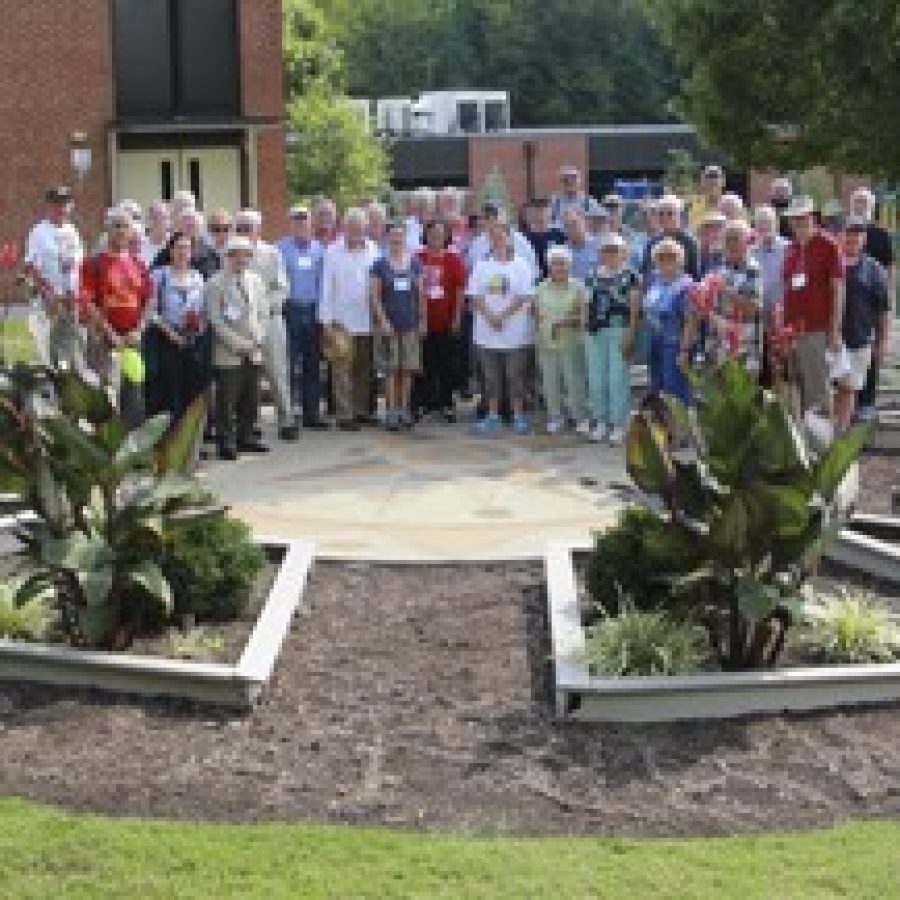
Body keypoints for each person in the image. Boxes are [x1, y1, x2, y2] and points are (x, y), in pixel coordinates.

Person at [78, 206, 153, 427]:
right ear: (107, 229)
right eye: (116, 226)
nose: (121, 231)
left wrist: (138, 330)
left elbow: (149, 300)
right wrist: (110, 333)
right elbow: (88, 301)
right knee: (104, 392)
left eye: (125, 226)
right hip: (105, 339)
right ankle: (105, 444)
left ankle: (134, 445)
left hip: (132, 339)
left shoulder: (138, 263)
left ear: (131, 231)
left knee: (134, 392)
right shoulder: (93, 264)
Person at [467, 219, 536, 435]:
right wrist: (491, 316)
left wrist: (503, 316)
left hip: (515, 332)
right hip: (487, 332)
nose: (498, 239)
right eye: (493, 236)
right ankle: (493, 415)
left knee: (516, 376)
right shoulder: (482, 265)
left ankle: (517, 415)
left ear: (509, 237)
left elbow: (525, 296)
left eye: (501, 235)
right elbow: (475, 296)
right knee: (490, 377)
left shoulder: (521, 265)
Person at [234, 209, 296, 441]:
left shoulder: (272, 254)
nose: (243, 232)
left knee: (277, 372)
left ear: (258, 230)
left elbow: (282, 288)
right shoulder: (229, 254)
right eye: (239, 228)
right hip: (241, 327)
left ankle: (286, 420)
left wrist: (260, 308)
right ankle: (252, 423)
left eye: (247, 228)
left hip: (270, 321)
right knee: (247, 377)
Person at [206, 235, 269, 460]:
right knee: (227, 400)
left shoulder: (256, 281)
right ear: (228, 256)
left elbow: (263, 313)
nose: (242, 259)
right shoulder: (215, 284)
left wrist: (258, 338)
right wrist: (238, 344)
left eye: (246, 255)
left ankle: (247, 437)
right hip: (229, 352)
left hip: (254, 350)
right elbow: (215, 319)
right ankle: (226, 442)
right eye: (236, 255)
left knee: (251, 397)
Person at [781, 196, 844, 418]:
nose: (798, 223)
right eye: (794, 219)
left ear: (812, 217)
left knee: (818, 391)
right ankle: (805, 447)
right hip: (792, 331)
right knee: (796, 391)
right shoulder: (791, 249)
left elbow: (838, 289)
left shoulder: (828, 244)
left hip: (816, 329)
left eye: (803, 217)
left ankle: (824, 448)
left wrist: (834, 330)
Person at [320, 208, 379, 431]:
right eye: (352, 226)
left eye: (360, 226)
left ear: (365, 227)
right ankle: (345, 415)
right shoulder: (332, 252)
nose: (356, 230)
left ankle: (361, 410)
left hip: (366, 319)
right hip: (341, 321)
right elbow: (326, 287)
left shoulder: (373, 250)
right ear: (344, 228)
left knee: (364, 369)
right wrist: (325, 320)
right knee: (341, 370)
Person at [583, 233, 641, 444]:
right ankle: (600, 421)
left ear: (624, 252)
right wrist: (584, 324)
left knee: (618, 379)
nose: (610, 254)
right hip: (595, 332)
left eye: (615, 249)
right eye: (606, 249)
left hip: (620, 330)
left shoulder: (631, 276)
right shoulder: (592, 275)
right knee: (596, 379)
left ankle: (618, 424)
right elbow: (586, 302)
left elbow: (634, 308)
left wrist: (631, 332)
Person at [834, 216, 890, 432]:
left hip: (859, 340)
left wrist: (883, 340)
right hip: (830, 339)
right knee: (829, 391)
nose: (852, 238)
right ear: (841, 235)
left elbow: (883, 309)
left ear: (864, 239)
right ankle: (824, 437)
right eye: (849, 233)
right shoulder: (831, 263)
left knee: (849, 389)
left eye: (857, 234)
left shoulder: (875, 269)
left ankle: (840, 436)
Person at [370, 223, 426, 430]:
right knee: (391, 370)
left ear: (405, 239)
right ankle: (391, 411)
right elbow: (375, 296)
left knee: (407, 369)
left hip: (410, 324)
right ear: (388, 239)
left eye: (400, 238)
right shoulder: (380, 265)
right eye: (393, 238)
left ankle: (404, 409)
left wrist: (422, 320)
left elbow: (421, 295)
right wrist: (383, 320)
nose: (396, 242)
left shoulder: (415, 263)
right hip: (389, 326)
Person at [146, 231, 207, 421]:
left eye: (187, 248)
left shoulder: (197, 277)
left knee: (190, 389)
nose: (183, 252)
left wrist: (198, 328)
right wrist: (170, 333)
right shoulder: (158, 275)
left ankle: (188, 440)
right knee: (167, 391)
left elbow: (203, 309)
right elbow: (150, 311)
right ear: (170, 250)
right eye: (179, 247)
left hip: (191, 341)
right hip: (165, 339)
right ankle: (167, 439)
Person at [277, 205, 328, 430]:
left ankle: (312, 414)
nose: (301, 225)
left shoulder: (319, 249)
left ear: (310, 224)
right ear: (291, 224)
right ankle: (289, 414)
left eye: (304, 221)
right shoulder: (280, 248)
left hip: (314, 310)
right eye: (296, 221)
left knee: (312, 364)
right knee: (288, 364)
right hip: (291, 309)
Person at [691, 220, 764, 376]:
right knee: (717, 392)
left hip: (745, 341)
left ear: (746, 242)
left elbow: (753, 309)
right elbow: (703, 306)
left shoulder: (753, 269)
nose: (731, 244)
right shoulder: (717, 268)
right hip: (717, 341)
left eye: (735, 239)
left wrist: (726, 289)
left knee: (743, 393)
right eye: (727, 239)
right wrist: (714, 318)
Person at [849, 187, 896, 420]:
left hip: (874, 293)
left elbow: (889, 266)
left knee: (873, 349)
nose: (860, 206)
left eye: (864, 203)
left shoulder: (881, 234)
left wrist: (888, 295)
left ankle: (867, 402)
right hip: (851, 298)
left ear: (871, 207)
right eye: (856, 202)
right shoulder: (844, 231)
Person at [534, 246, 589, 436]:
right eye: (555, 263)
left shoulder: (579, 286)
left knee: (574, 381)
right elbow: (536, 313)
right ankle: (555, 416)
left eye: (562, 263)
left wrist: (566, 321)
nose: (558, 267)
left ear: (569, 265)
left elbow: (584, 317)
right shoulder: (541, 287)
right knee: (550, 382)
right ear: (549, 266)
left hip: (571, 341)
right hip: (546, 341)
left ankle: (580, 417)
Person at [23, 185, 81, 366]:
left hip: (70, 297)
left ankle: (68, 380)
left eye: (65, 204)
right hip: (50, 297)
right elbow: (31, 265)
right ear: (49, 206)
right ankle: (52, 382)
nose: (61, 208)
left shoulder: (72, 230)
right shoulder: (39, 231)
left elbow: (78, 262)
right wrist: (46, 292)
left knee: (70, 342)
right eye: (57, 204)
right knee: (48, 343)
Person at [415, 219, 466, 421]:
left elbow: (460, 290)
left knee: (446, 365)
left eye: (440, 233)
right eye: (432, 233)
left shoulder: (453, 259)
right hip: (423, 322)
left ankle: (446, 403)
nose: (436, 237)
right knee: (424, 364)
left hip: (446, 321)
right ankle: (424, 403)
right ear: (426, 235)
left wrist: (457, 318)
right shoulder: (417, 258)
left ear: (446, 236)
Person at [643, 239, 695, 406]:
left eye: (671, 257)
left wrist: (685, 351)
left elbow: (690, 321)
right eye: (661, 257)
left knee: (675, 390)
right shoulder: (654, 281)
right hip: (655, 341)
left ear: (680, 259)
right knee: (658, 387)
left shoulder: (687, 286)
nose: (666, 261)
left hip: (675, 344)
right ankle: (665, 429)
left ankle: (682, 430)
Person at [643, 194, 700, 279]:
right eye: (661, 213)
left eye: (670, 213)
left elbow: (695, 275)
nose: (664, 217)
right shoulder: (652, 242)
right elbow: (645, 272)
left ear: (679, 216)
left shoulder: (689, 242)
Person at [522, 198, 566, 280]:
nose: (542, 216)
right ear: (531, 215)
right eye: (538, 212)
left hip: (554, 282)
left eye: (545, 212)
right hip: (531, 281)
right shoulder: (522, 238)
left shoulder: (559, 236)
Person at [562, 208, 600, 281]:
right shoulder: (563, 251)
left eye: (574, 223)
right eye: (567, 226)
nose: (571, 228)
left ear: (585, 222)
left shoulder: (599, 246)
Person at [689, 164, 726, 232]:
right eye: (708, 177)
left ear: (723, 182)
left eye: (716, 176)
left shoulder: (732, 204)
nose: (712, 180)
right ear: (702, 182)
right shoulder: (693, 205)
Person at [142, 201, 171, 267]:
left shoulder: (176, 245)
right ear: (148, 220)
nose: (160, 221)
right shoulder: (139, 245)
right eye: (155, 217)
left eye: (164, 218)